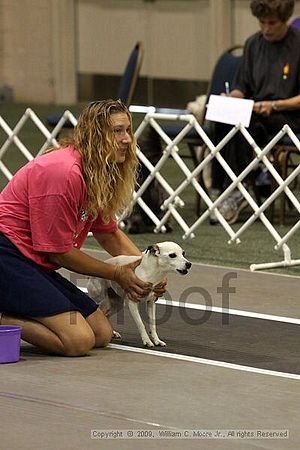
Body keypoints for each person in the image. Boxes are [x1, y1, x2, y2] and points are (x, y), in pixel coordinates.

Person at [0, 99, 166, 357]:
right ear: (95, 136)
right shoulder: (63, 172)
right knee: (78, 341)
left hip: (32, 262)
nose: (126, 139)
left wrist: (147, 269)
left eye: (128, 130)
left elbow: (108, 232)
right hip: (7, 254)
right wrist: (117, 273)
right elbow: (59, 253)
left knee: (101, 333)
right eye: (116, 131)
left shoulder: (97, 172)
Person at [209, 0, 300, 224]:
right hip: (257, 111)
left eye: (272, 23)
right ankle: (223, 186)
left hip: (290, 115)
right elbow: (243, 86)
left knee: (245, 121)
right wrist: (233, 98)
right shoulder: (252, 44)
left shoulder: (298, 44)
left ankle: (238, 188)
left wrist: (276, 105)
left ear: (285, 20)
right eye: (262, 22)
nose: (266, 29)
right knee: (224, 116)